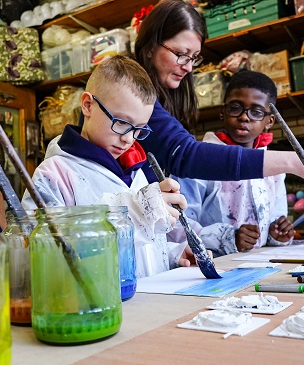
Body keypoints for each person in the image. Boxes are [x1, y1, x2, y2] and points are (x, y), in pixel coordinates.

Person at [134, 0, 304, 184]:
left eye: (194, 57)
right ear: (150, 46)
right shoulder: (130, 87)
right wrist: (297, 161)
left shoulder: (163, 97)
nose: (188, 66)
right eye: (181, 54)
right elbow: (184, 154)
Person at [21, 55, 196, 278]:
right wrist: (130, 213)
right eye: (122, 122)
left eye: (139, 129)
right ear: (87, 105)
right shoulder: (54, 175)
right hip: (99, 310)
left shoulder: (136, 172)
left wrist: (172, 254)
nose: (129, 139)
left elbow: (136, 252)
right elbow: (39, 252)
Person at [171, 70, 295, 256]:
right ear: (223, 113)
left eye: (256, 111)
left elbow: (274, 218)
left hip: (258, 263)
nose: (244, 117)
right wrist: (227, 237)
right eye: (235, 107)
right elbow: (177, 226)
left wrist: (277, 233)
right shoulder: (199, 160)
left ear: (270, 121)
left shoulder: (273, 167)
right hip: (211, 267)